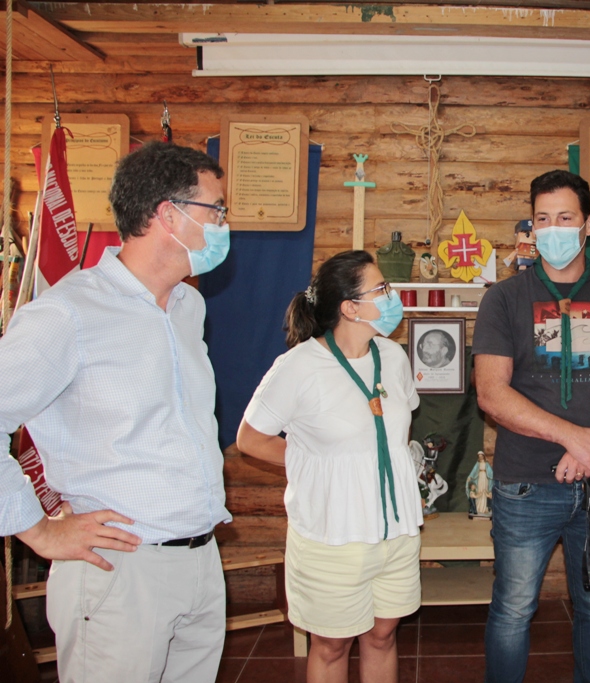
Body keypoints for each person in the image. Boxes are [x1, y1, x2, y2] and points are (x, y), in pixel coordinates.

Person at [0, 141, 233, 682]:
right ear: (168, 214)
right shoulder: (69, 312)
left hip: (200, 561)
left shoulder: (188, 305)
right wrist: (39, 531)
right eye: (217, 210)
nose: (225, 225)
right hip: (121, 571)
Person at [473, 169, 590, 683]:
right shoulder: (503, 299)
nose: (552, 229)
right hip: (525, 485)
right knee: (514, 609)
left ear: (588, 224)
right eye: (542, 219)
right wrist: (571, 437)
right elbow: (491, 393)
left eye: (565, 217)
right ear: (531, 227)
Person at [236, 250, 422, 683]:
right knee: (332, 646)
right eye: (382, 289)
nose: (392, 296)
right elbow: (250, 439)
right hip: (332, 536)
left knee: (383, 636)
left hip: (397, 531)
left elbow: (398, 427)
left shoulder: (392, 357)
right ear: (349, 308)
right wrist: (310, 462)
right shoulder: (298, 366)